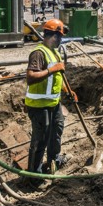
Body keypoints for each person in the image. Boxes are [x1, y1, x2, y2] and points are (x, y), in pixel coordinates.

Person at [25, 19, 73, 180]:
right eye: (58, 37)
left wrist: (68, 91)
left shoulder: (55, 52)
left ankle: (54, 160)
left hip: (54, 103)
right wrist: (52, 69)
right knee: (41, 139)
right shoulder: (38, 53)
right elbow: (31, 77)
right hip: (39, 106)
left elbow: (57, 78)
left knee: (56, 133)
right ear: (50, 35)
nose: (60, 40)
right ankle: (34, 173)